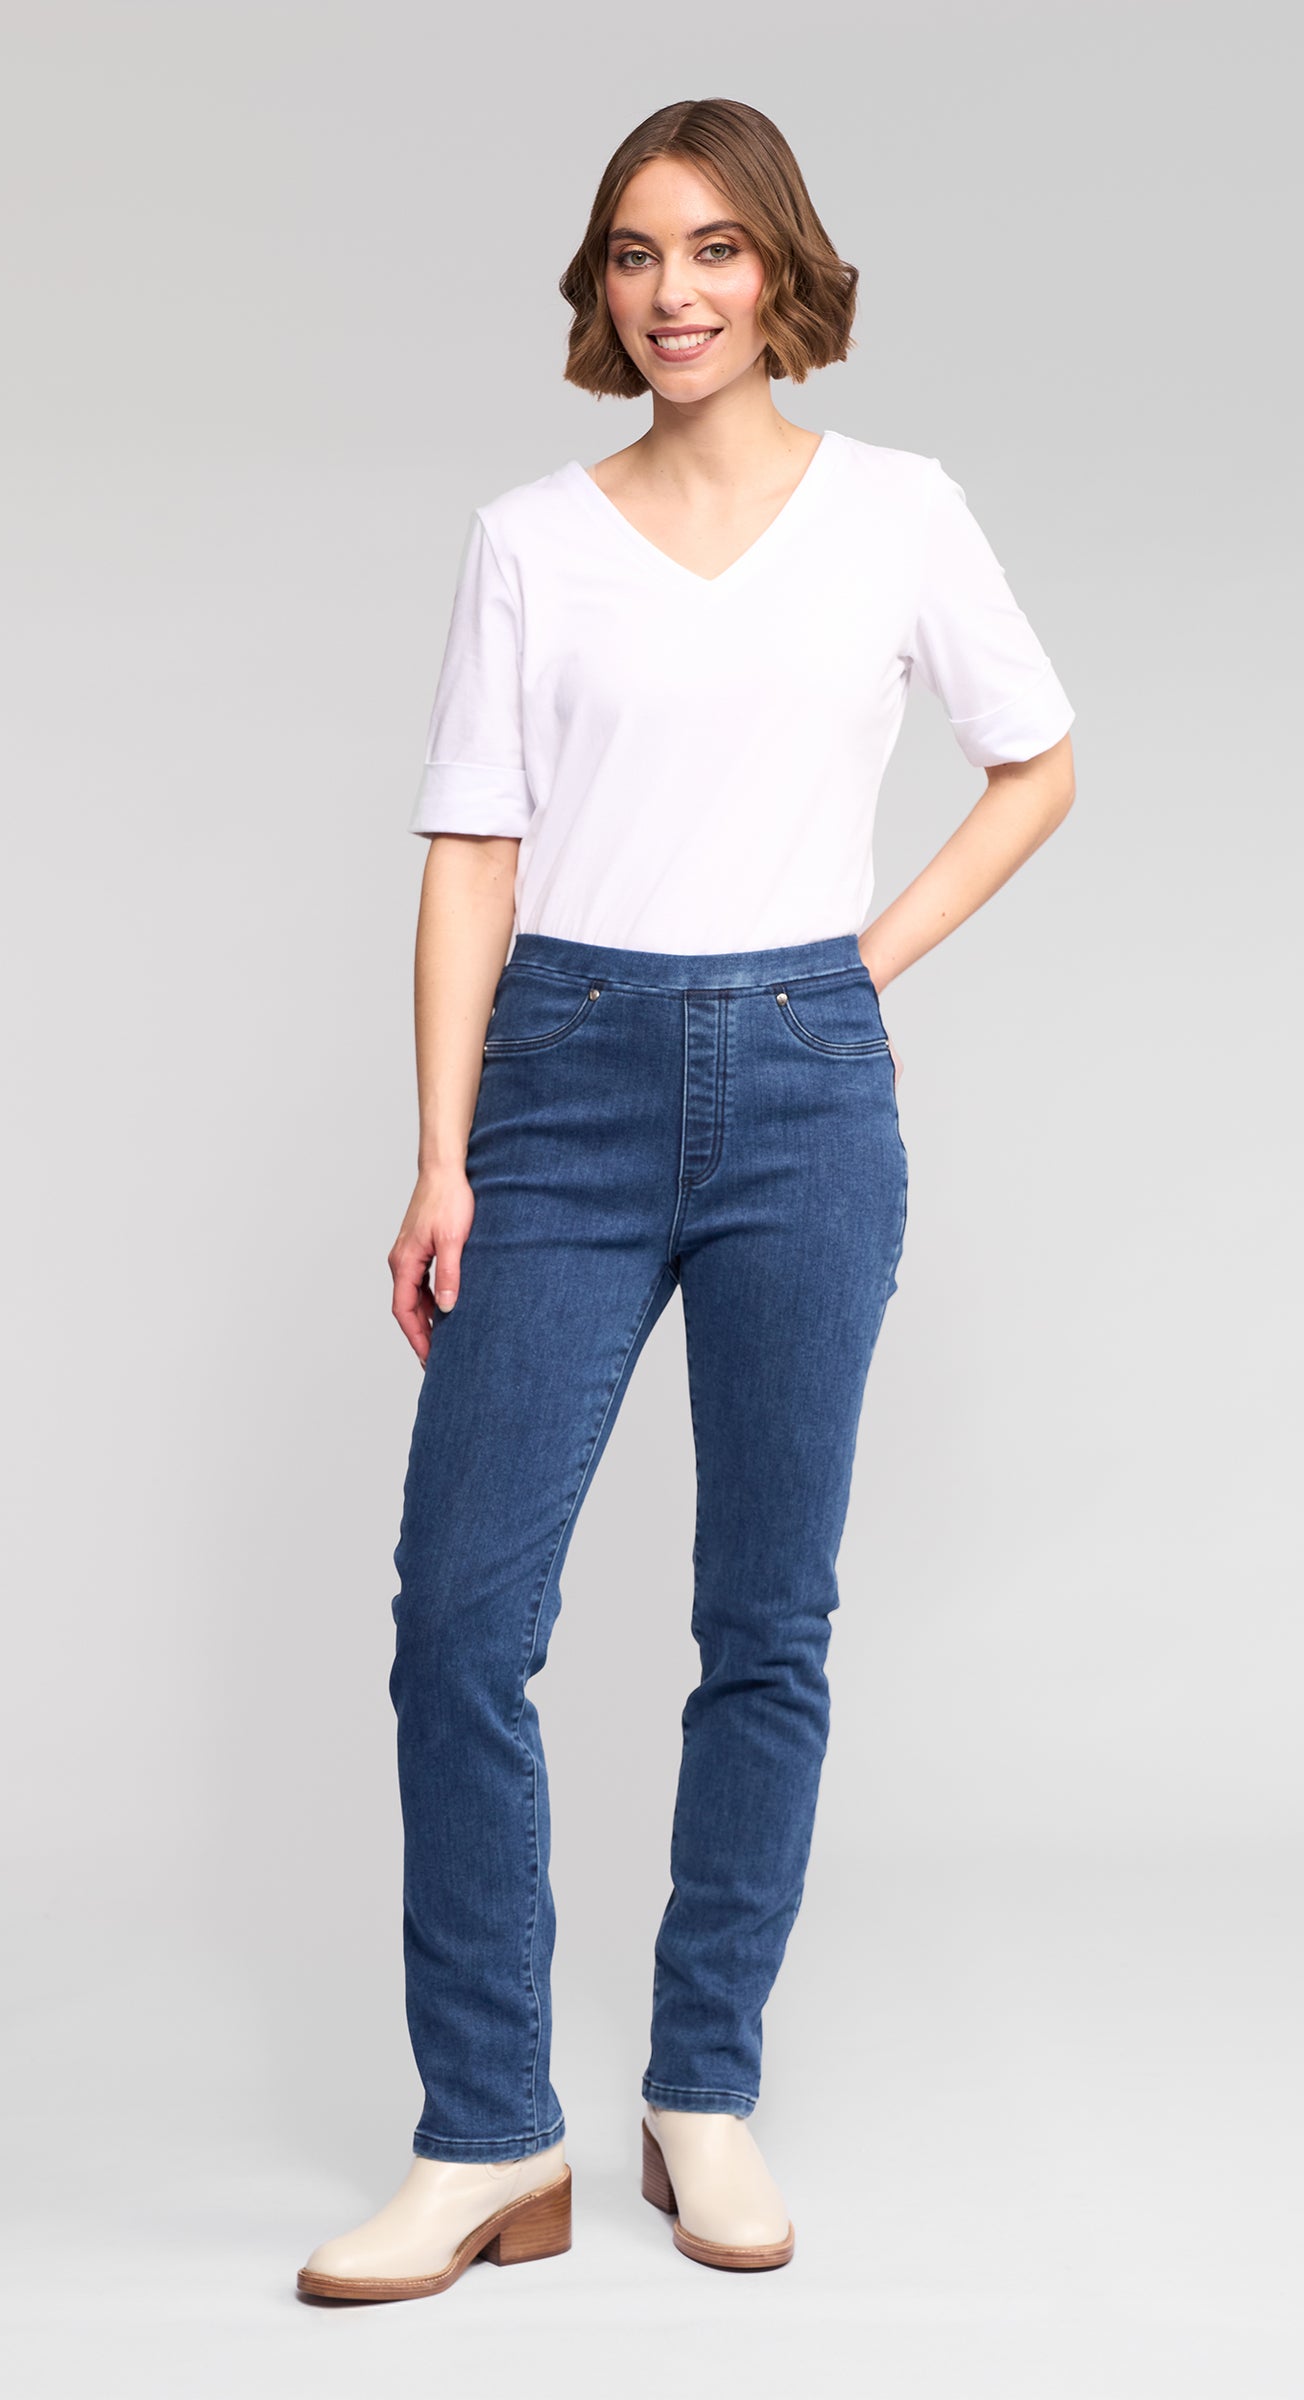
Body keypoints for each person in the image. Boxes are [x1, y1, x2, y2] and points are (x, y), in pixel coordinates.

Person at [297, 95, 1076, 2306]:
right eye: (637, 255)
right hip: (559, 1081)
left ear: (785, 274)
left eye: (717, 251)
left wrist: (861, 969)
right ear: (598, 285)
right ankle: (483, 2138)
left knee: (772, 1620)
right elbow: (471, 852)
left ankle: (699, 2088)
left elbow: (1044, 762)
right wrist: (444, 1150)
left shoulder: (898, 514)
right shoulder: (530, 536)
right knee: (461, 1617)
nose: (674, 295)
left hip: (807, 1088)